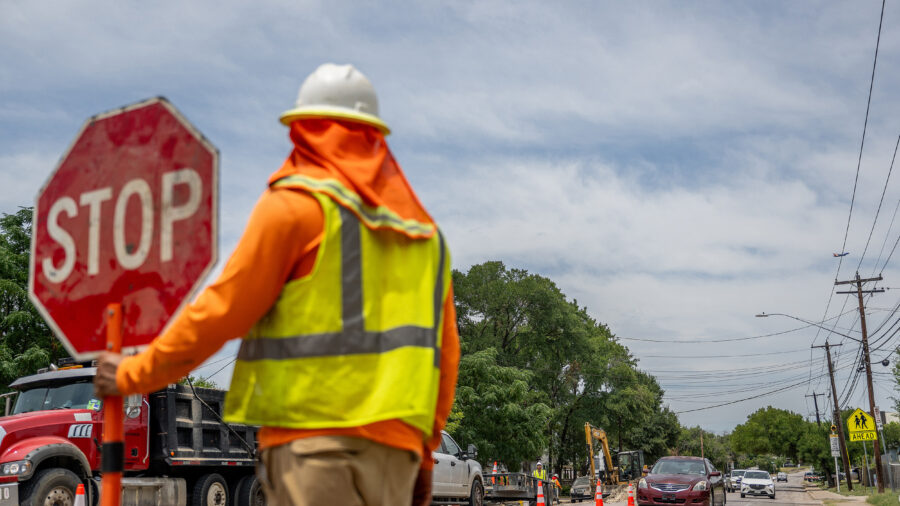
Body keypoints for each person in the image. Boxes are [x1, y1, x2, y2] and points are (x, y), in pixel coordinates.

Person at [93, 63, 460, 506]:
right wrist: (424, 451)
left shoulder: (295, 207)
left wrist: (135, 373)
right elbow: (445, 358)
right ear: (374, 137)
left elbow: (221, 312)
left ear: (304, 129)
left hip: (314, 445)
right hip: (395, 452)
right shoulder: (424, 237)